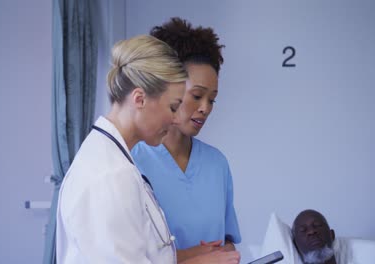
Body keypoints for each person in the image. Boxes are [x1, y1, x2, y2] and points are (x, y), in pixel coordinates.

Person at [56, 35, 240, 263]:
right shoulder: (110, 176)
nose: (174, 119)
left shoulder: (115, 161)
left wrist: (193, 254)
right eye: (173, 107)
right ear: (140, 99)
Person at [131, 17, 241, 262]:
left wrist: (226, 254)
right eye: (197, 95)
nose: (205, 108)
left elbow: (228, 242)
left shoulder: (217, 164)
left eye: (212, 99)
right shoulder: (132, 162)